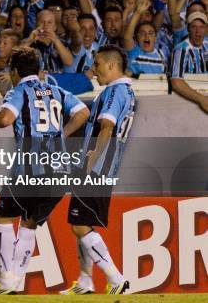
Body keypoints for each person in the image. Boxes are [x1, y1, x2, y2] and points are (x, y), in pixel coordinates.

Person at [0, 46, 89, 295]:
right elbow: (83, 112)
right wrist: (62, 134)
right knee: (30, 223)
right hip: (60, 170)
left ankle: (6, 280)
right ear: (38, 70)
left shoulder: (19, 90)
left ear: (15, 71)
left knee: (3, 218)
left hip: (30, 168)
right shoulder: (56, 90)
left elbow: (6, 118)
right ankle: (13, 283)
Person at [60, 45, 134, 295]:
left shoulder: (115, 91)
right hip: (104, 167)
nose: (95, 69)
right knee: (80, 222)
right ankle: (85, 281)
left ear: (112, 65)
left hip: (97, 167)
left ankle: (116, 279)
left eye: (98, 64)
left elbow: (106, 126)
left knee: (80, 226)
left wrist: (92, 158)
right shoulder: (126, 91)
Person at [170, 11, 208, 112]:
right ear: (188, 29)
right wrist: (202, 99)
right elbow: (176, 82)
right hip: (188, 104)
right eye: (194, 27)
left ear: (206, 29)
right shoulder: (181, 49)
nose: (198, 31)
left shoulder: (207, 45)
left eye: (201, 27)